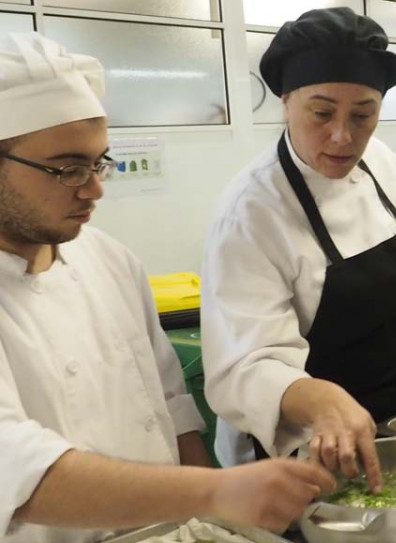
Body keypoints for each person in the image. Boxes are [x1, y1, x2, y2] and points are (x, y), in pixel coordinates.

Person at [0, 33, 335, 543]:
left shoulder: (109, 259)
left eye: (99, 163)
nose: (94, 189)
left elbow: (171, 405)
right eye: (68, 168)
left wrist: (211, 519)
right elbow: (18, 469)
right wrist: (212, 494)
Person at [201, 7, 396, 488]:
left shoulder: (380, 161)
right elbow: (242, 367)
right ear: (285, 102)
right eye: (321, 113)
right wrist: (321, 400)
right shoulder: (252, 211)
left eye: (363, 115)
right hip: (302, 440)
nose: (343, 137)